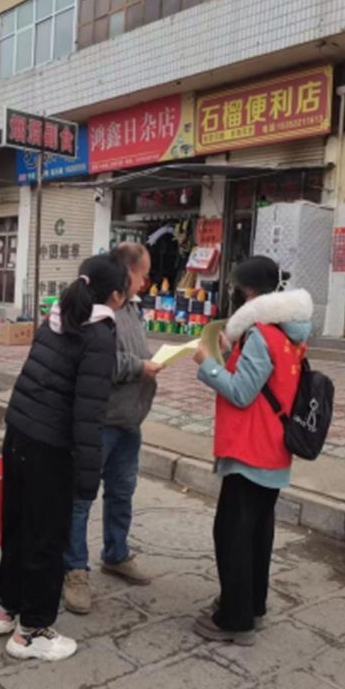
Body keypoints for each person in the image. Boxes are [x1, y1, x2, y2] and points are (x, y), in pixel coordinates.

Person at [0, 253, 129, 662]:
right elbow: (89, 414)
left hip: (19, 433)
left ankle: (5, 609)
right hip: (50, 448)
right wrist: (88, 478)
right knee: (47, 538)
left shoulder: (58, 317)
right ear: (116, 296)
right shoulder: (99, 334)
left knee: (17, 526)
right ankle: (32, 632)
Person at [191, 256, 313, 646]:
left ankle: (235, 619)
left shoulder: (261, 333)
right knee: (257, 532)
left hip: (251, 448)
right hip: (273, 448)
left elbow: (243, 392)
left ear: (249, 292)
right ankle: (251, 605)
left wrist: (208, 365)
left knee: (233, 534)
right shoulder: (289, 332)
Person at [63, 242, 164, 614]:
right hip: (98, 421)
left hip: (129, 419)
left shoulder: (133, 308)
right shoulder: (97, 310)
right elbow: (100, 363)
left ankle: (116, 553)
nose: (146, 281)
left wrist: (150, 363)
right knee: (81, 498)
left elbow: (131, 353)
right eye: (143, 273)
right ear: (126, 272)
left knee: (122, 491)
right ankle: (74, 569)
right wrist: (139, 367)